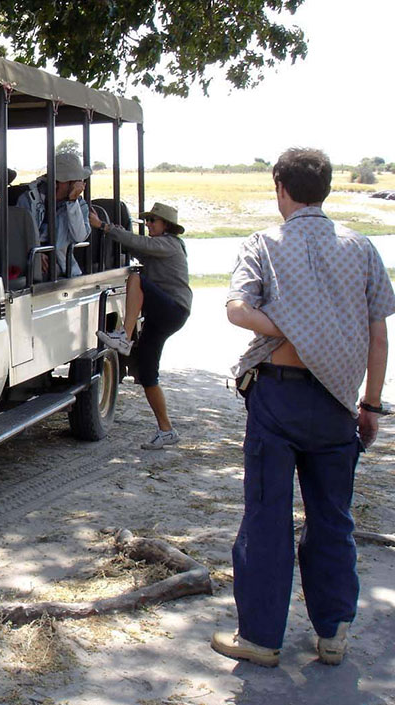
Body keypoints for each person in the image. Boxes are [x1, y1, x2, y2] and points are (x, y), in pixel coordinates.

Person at [209, 148, 394, 669]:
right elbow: (379, 335)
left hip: (278, 394)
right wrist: (371, 404)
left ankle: (261, 638)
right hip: (338, 400)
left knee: (267, 515)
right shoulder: (361, 247)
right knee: (333, 517)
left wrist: (291, 328)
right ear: (326, 188)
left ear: (280, 187)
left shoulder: (262, 244)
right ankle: (333, 633)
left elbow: (237, 310)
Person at [90, 202, 191, 449]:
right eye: (147, 220)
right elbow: (135, 245)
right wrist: (116, 233)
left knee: (136, 278)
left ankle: (124, 335)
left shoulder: (169, 244)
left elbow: (140, 244)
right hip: (161, 315)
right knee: (148, 374)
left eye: (153, 221)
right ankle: (166, 430)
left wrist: (104, 226)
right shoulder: (159, 246)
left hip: (173, 309)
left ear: (166, 225)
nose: (148, 225)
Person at [16, 150, 92, 277]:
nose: (78, 184)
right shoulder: (30, 199)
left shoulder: (79, 204)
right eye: (74, 180)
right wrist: (36, 252)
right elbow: (18, 233)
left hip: (61, 263)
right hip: (29, 258)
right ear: (58, 182)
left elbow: (79, 236)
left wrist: (72, 202)